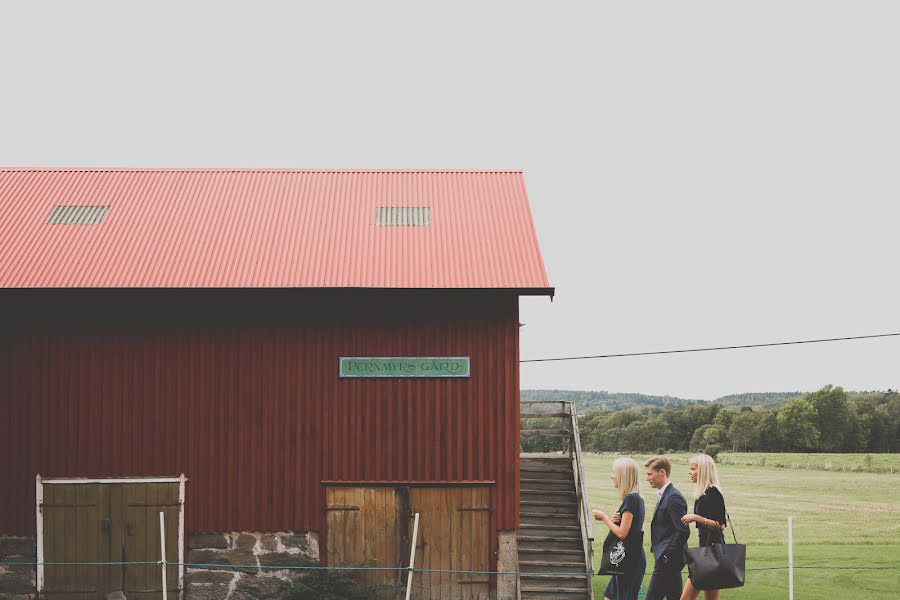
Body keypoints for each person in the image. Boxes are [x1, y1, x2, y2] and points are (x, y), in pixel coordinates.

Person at [591, 457, 646, 600]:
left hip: (629, 561)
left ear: (623, 475)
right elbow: (630, 528)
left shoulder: (631, 499)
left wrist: (604, 518)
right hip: (628, 558)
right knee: (609, 597)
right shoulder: (636, 498)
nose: (612, 476)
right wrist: (618, 520)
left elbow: (622, 534)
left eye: (614, 472)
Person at [679, 453, 727, 600]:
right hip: (706, 552)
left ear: (703, 471)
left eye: (693, 469)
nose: (690, 472)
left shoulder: (712, 493)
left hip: (711, 553)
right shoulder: (703, 494)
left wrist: (696, 518)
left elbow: (721, 525)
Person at [644, 456, 690, 600]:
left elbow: (683, 531)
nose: (647, 478)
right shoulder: (666, 494)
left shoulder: (673, 497)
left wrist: (666, 556)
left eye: (650, 474)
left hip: (668, 560)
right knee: (674, 596)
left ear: (662, 472)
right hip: (670, 560)